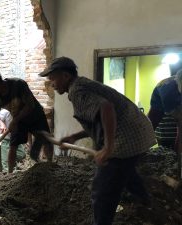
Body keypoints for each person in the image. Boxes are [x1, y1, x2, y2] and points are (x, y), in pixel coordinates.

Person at [39, 57, 156, 225]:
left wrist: (108, 148)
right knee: (125, 170)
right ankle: (145, 203)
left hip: (126, 139)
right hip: (140, 133)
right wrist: (74, 137)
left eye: (53, 78)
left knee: (102, 191)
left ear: (65, 76)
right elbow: (97, 120)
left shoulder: (77, 91)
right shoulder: (81, 84)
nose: (51, 83)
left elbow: (106, 108)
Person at [0, 70, 53, 173]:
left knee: (46, 140)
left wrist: (15, 121)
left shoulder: (18, 84)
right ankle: (11, 174)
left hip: (35, 115)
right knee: (13, 145)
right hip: (19, 121)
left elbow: (30, 105)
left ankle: (50, 166)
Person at [147, 68, 182, 178]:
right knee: (150, 125)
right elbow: (180, 127)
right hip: (161, 95)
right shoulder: (168, 92)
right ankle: (136, 152)